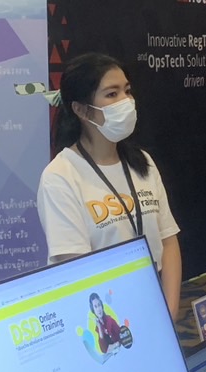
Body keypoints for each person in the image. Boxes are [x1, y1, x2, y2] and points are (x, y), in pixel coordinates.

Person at [37, 53, 182, 320]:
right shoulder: (61, 176)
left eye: (127, 91)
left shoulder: (143, 162)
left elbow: (168, 242)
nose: (126, 101)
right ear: (81, 110)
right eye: (112, 94)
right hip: (103, 314)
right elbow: (76, 268)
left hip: (154, 305)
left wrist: (169, 314)